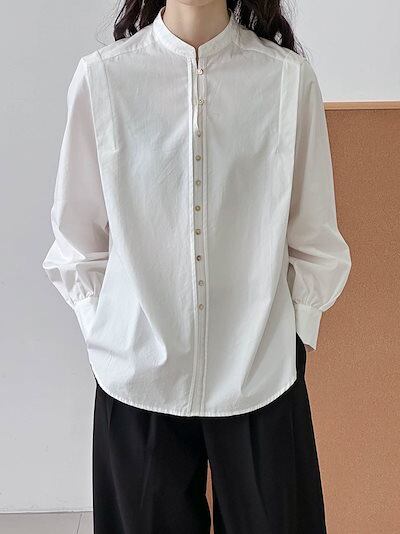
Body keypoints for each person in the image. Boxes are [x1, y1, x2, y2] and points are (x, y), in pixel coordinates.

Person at [42, 1, 352, 532]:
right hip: (136, 376)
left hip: (260, 372)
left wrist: (293, 338)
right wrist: (109, 334)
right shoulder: (104, 78)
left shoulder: (285, 79)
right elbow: (78, 239)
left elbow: (313, 234)